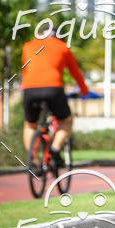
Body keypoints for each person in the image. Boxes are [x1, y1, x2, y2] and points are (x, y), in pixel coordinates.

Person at [21, 28, 89, 168]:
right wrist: (84, 90)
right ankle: (55, 149)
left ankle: (33, 161)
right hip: (53, 89)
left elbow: (26, 70)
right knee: (66, 121)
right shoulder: (62, 47)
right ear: (57, 36)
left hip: (29, 89)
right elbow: (75, 73)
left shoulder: (27, 46)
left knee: (30, 125)